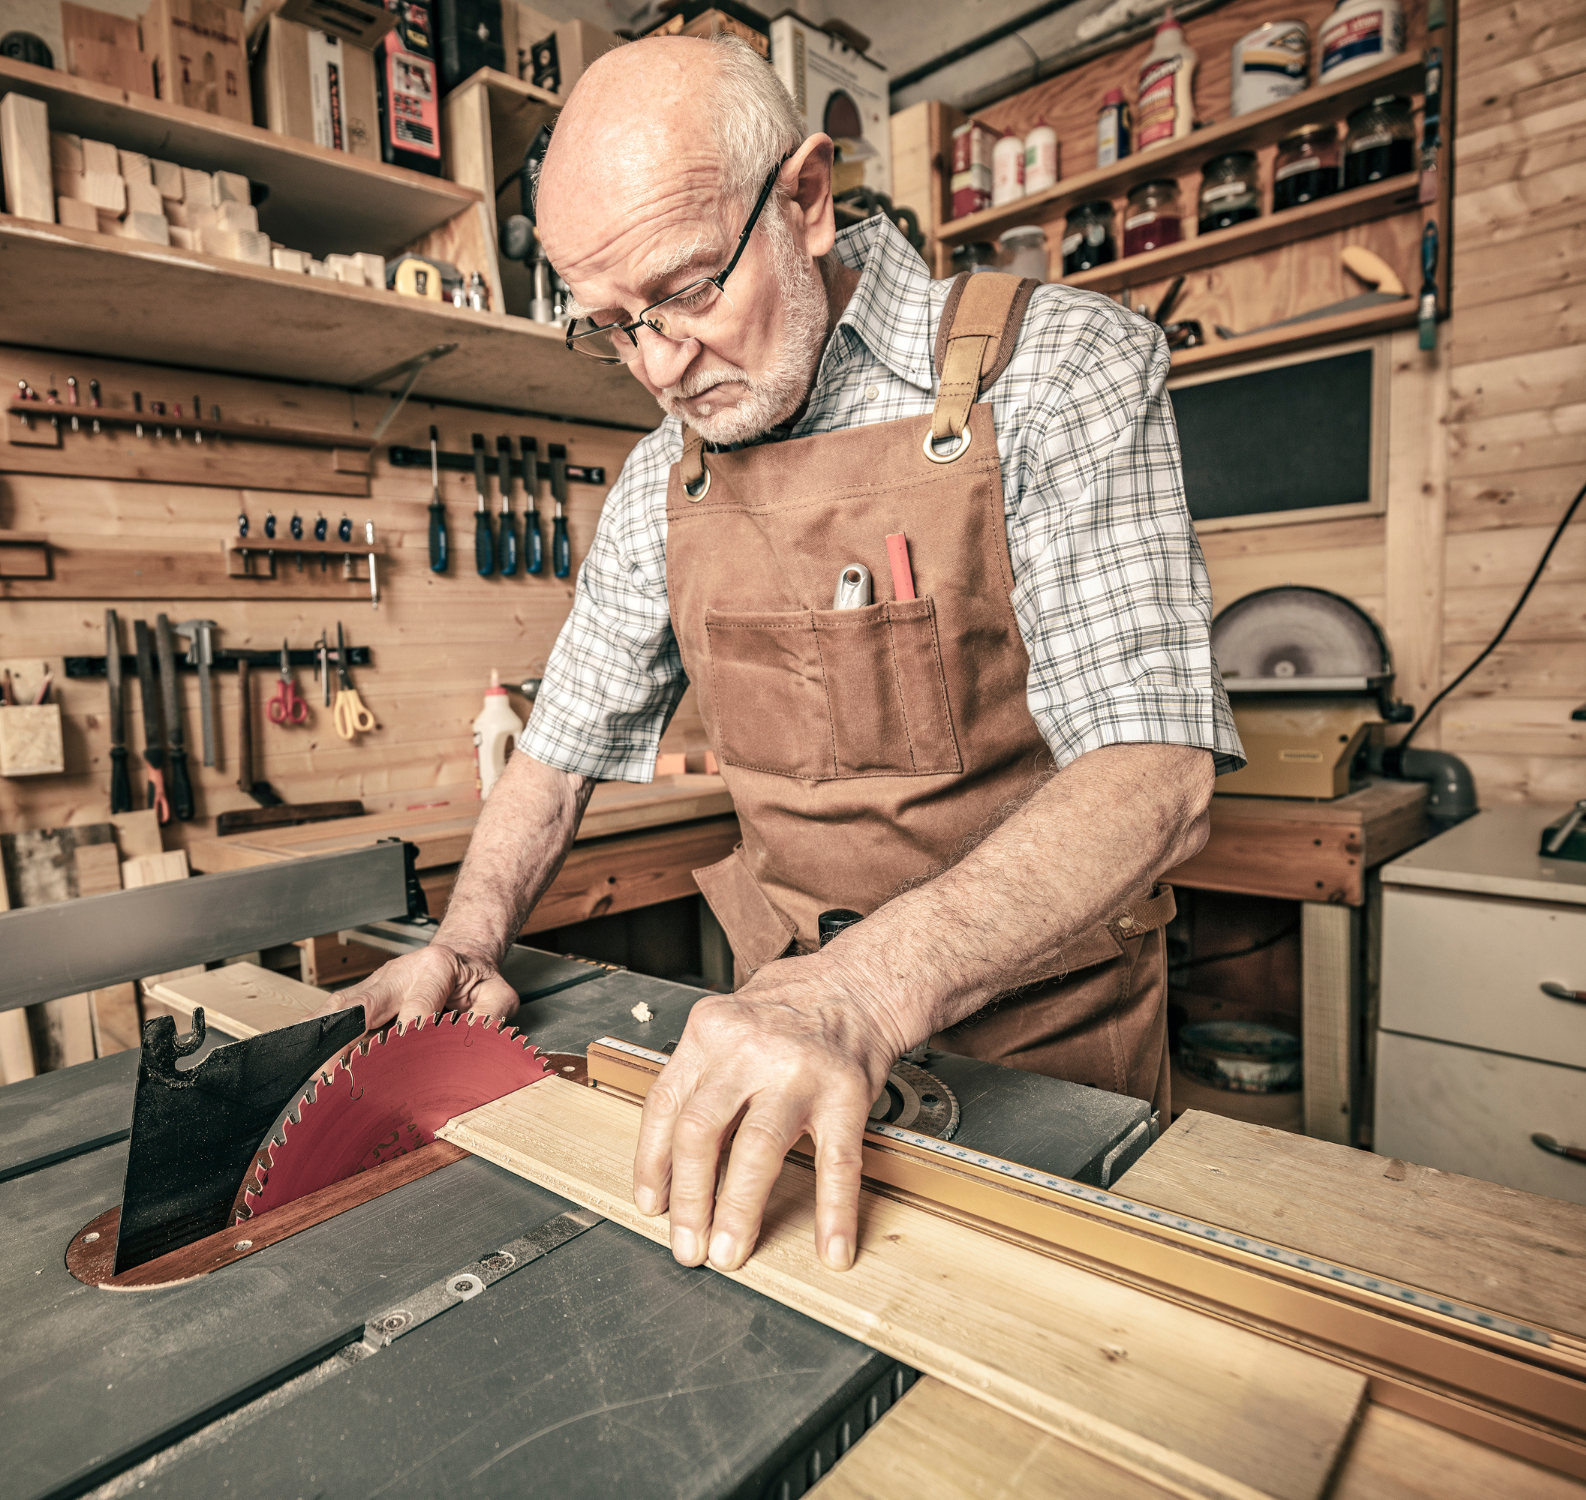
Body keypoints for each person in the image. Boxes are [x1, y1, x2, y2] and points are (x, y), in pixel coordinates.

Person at [341, 34, 1242, 1275]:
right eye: (615, 328)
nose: (660, 367)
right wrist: (466, 942)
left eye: (690, 291)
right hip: (776, 1053)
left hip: (1050, 1056)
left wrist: (862, 994)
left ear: (807, 200)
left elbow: (1156, 772)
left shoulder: (1057, 369)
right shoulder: (664, 474)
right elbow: (558, 752)